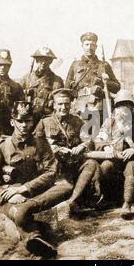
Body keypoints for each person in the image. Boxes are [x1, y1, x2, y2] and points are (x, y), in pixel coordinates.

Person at [0, 101, 73, 257]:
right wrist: (7, 194)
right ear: (12, 122)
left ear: (33, 122)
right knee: (20, 214)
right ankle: (34, 237)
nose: (24, 125)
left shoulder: (40, 142)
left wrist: (24, 189)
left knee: (66, 187)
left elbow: (51, 172)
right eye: (20, 121)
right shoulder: (4, 145)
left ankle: (27, 211)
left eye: (28, 121)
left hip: (34, 192)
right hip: (11, 196)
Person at [35, 89, 100, 217]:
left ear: (70, 105)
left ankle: (71, 202)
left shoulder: (78, 121)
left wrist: (81, 146)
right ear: (54, 105)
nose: (63, 107)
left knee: (91, 164)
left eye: (66, 104)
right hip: (53, 165)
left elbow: (88, 141)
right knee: (63, 186)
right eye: (60, 104)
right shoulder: (45, 122)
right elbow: (35, 143)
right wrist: (53, 148)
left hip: (72, 164)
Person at [94, 89, 134, 218]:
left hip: (132, 158)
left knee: (131, 168)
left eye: (126, 105)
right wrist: (106, 147)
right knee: (104, 167)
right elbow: (99, 139)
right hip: (115, 158)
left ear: (131, 107)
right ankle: (109, 198)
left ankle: (127, 204)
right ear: (116, 108)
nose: (123, 109)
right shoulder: (110, 122)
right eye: (120, 105)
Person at [65, 32, 120, 124]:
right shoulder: (75, 65)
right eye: (86, 44)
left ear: (96, 47)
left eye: (92, 45)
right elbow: (66, 88)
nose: (89, 47)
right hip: (80, 108)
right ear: (82, 46)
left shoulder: (104, 65)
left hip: (100, 108)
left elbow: (117, 87)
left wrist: (105, 82)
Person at [20, 46, 64, 123]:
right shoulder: (27, 78)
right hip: (28, 119)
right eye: (41, 59)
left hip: (47, 119)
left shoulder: (57, 81)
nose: (43, 62)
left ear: (50, 61)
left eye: (47, 60)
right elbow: (18, 96)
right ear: (36, 60)